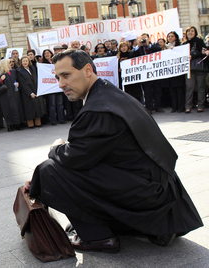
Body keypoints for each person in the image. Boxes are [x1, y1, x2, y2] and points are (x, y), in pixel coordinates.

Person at [24, 49, 203, 253]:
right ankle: (149, 228)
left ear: (88, 70)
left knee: (48, 171)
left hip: (147, 195)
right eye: (57, 77)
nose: (61, 83)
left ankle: (98, 237)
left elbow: (74, 159)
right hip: (158, 189)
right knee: (60, 168)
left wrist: (55, 148)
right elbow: (92, 152)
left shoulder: (98, 109)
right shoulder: (111, 94)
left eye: (66, 75)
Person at [130, 33, 163, 113]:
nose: (144, 40)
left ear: (149, 39)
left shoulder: (154, 46)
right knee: (147, 90)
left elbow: (159, 49)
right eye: (142, 39)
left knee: (157, 89)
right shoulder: (139, 48)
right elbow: (131, 55)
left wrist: (149, 45)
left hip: (154, 71)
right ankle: (149, 107)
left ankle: (158, 106)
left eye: (145, 38)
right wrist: (138, 45)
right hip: (145, 73)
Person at [0, 59, 24, 132]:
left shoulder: (13, 72)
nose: (10, 64)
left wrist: (18, 84)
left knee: (16, 108)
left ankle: (17, 123)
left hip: (14, 93)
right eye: (8, 63)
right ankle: (10, 125)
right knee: (7, 110)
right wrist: (1, 79)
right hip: (5, 95)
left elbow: (18, 80)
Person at [17, 55, 45, 128]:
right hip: (27, 93)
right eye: (23, 61)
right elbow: (23, 84)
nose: (25, 62)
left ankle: (38, 123)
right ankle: (30, 124)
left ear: (29, 61)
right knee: (29, 108)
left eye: (26, 61)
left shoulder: (33, 68)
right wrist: (30, 93)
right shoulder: (19, 71)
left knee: (37, 107)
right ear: (21, 62)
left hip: (36, 90)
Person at [184, 26, 208, 113]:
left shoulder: (199, 41)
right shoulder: (184, 44)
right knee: (189, 87)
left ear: (195, 32)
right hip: (189, 69)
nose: (190, 33)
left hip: (199, 69)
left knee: (201, 87)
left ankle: (200, 105)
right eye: (188, 31)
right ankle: (188, 106)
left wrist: (193, 56)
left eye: (192, 31)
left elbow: (203, 52)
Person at [42, 49, 65, 125]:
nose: (47, 54)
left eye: (48, 53)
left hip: (57, 86)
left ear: (51, 54)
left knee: (60, 104)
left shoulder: (56, 62)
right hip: (50, 88)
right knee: (52, 105)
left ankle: (61, 119)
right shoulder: (42, 64)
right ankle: (53, 120)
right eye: (45, 53)